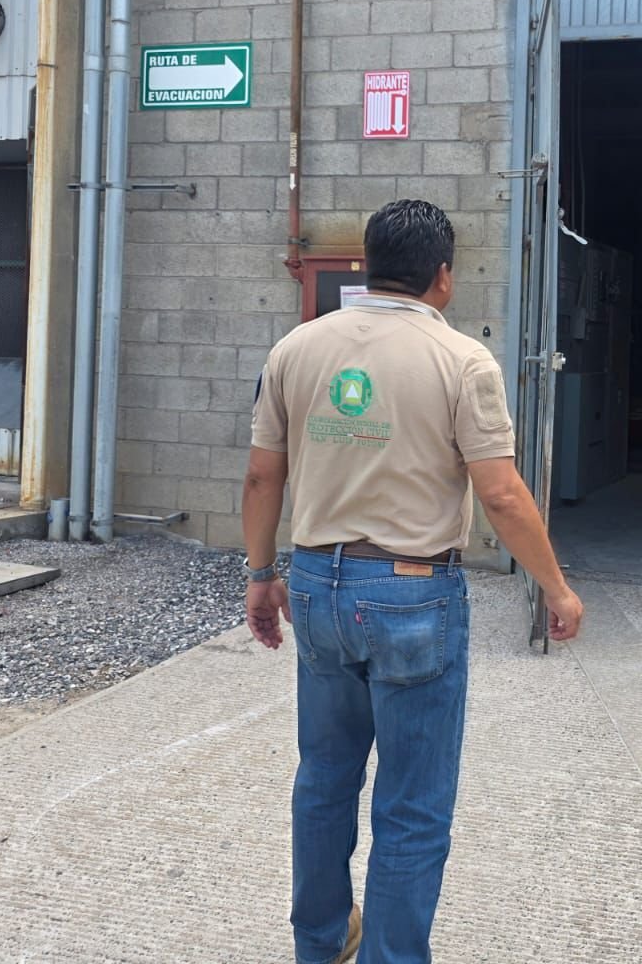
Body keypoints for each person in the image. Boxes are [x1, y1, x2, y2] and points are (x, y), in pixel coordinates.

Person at [241, 198, 583, 964]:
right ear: (443, 277)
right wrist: (556, 589)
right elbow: (501, 494)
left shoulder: (296, 348)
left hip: (316, 586)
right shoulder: (462, 361)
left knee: (324, 778)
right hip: (412, 595)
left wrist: (261, 576)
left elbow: (262, 476)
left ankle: (321, 942)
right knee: (413, 804)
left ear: (367, 266)